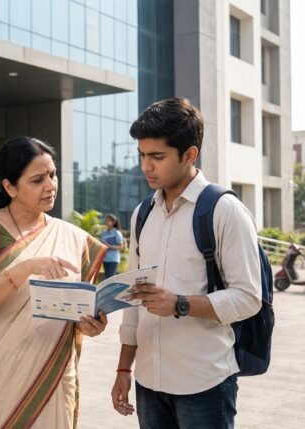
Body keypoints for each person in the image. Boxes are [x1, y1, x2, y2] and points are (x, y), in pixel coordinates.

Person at [111, 97, 261, 428]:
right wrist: (124, 368)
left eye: (157, 157)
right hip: (149, 382)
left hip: (203, 381)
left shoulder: (225, 211)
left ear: (190, 154)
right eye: (142, 156)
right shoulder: (142, 214)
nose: (146, 166)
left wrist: (179, 304)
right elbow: (134, 302)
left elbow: (249, 297)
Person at [0, 137, 109, 428]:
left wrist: (91, 325)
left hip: (52, 376)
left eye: (52, 175)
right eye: (37, 180)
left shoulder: (73, 238)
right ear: (10, 187)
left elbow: (78, 310)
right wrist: (26, 267)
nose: (50, 185)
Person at [100, 213, 125, 279]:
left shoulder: (117, 233)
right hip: (105, 259)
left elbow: (121, 247)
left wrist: (109, 246)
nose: (106, 222)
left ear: (113, 222)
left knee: (109, 277)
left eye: (108, 220)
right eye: (106, 220)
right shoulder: (103, 233)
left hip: (114, 259)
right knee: (107, 278)